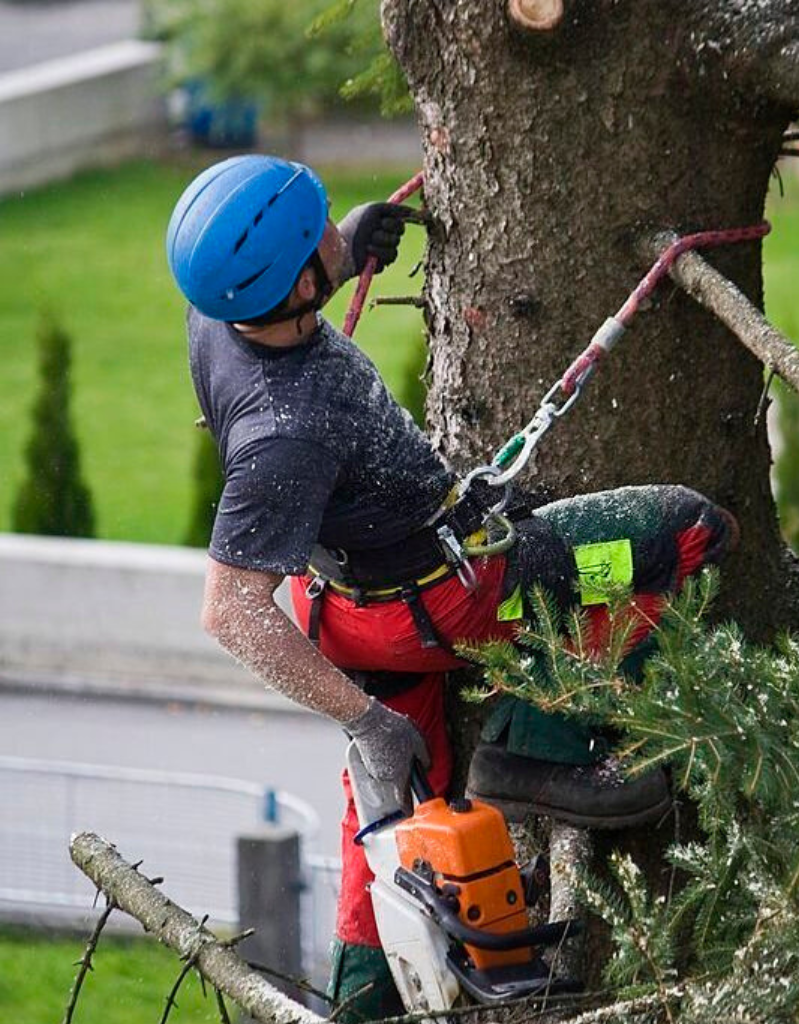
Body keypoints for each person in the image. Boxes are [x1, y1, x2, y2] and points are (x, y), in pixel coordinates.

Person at [167, 154, 738, 1021]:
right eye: (318, 236)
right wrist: (361, 717)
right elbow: (230, 610)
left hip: (349, 616)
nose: (334, 233)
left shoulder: (215, 314)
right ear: (289, 285)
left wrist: (346, 254)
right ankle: (539, 749)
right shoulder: (287, 432)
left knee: (393, 822)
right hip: (449, 602)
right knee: (681, 534)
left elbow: (281, 298)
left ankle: (362, 1000)